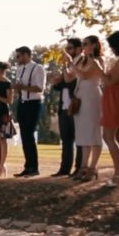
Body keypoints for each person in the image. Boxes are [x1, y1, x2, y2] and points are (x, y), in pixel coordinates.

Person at [92, 30, 119, 187]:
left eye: (112, 46)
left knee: (108, 137)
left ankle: (118, 173)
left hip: (116, 98)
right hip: (115, 98)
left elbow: (110, 82)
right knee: (118, 137)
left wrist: (98, 69)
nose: (111, 49)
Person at [64, 35, 104, 183]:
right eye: (83, 44)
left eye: (86, 44)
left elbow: (86, 75)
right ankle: (84, 166)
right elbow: (69, 78)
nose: (84, 46)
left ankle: (93, 168)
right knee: (83, 133)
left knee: (93, 132)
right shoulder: (81, 60)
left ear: (94, 45)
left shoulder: (98, 60)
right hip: (80, 97)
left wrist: (71, 64)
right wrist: (65, 65)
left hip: (92, 96)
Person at [51, 38, 84, 177]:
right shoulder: (68, 65)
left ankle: (79, 167)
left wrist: (66, 67)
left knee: (79, 140)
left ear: (78, 49)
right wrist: (56, 81)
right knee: (66, 139)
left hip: (76, 105)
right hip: (64, 106)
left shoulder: (82, 62)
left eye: (70, 48)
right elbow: (61, 84)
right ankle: (64, 169)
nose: (68, 51)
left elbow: (73, 81)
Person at [12, 46, 46, 177]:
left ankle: (34, 166)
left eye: (19, 56)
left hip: (34, 103)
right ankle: (28, 166)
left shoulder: (38, 68)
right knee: (24, 136)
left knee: (29, 133)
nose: (17, 59)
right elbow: (19, 86)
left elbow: (39, 88)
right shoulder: (20, 69)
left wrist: (23, 87)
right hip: (22, 103)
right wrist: (17, 89)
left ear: (27, 55)